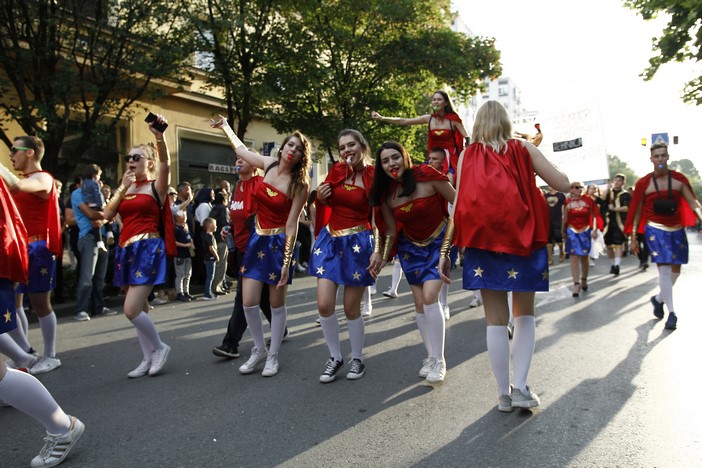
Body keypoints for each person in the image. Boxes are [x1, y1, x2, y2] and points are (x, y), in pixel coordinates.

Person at [442, 101, 570, 412]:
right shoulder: (523, 148)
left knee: (495, 321)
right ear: (506, 122)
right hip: (523, 241)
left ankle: (503, 393)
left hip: (482, 243)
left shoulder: (466, 155)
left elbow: (459, 204)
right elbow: (562, 184)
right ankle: (522, 386)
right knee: (524, 315)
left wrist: (446, 250)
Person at [211, 116, 310, 377]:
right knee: (249, 301)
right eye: (290, 144)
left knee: (276, 305)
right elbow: (241, 151)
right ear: (282, 147)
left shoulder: (300, 185)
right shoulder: (268, 165)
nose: (292, 150)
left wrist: (288, 261)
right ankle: (258, 349)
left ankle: (273, 354)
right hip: (256, 240)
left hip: (278, 243)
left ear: (302, 156)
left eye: (298, 148)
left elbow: (292, 225)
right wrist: (226, 128)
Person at [369, 141, 456, 384]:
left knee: (430, 297)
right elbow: (389, 230)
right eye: (385, 161)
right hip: (410, 249)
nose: (391, 164)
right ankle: (430, 356)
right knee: (419, 303)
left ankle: (439, 360)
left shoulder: (428, 176)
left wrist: (447, 249)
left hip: (438, 241)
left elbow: (458, 206)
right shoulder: (386, 195)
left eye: (395, 157)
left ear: (405, 157)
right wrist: (380, 254)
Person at [102, 114, 173, 378]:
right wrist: (121, 187)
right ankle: (147, 357)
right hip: (126, 250)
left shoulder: (156, 187)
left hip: (148, 249)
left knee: (130, 309)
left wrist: (159, 137)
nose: (130, 161)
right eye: (128, 158)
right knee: (139, 308)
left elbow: (166, 163)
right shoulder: (127, 189)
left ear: (149, 163)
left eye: (136, 158)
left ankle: (160, 347)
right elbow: (108, 215)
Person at [311, 129, 379, 383]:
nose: (346, 150)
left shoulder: (373, 175)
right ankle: (335, 356)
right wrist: (320, 197)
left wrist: (378, 250)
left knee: (351, 308)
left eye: (351, 145)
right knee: (324, 305)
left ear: (363, 146)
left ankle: (358, 358)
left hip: (358, 243)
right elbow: (325, 204)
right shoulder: (337, 171)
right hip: (330, 242)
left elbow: (378, 215)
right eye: (342, 147)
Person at [0, 136, 63, 375]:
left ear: (30, 153)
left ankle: (51, 355)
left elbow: (16, 186)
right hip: (20, 249)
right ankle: (25, 352)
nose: (11, 154)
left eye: (15, 150)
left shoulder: (43, 178)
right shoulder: (23, 178)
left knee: (39, 304)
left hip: (39, 249)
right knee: (12, 303)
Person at [625, 142, 702, 330]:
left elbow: (693, 203)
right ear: (651, 159)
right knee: (664, 270)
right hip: (655, 229)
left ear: (668, 157)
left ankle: (659, 299)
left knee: (676, 271)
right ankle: (672, 313)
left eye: (663, 155)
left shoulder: (679, 180)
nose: (660, 159)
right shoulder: (644, 183)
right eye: (656, 156)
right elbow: (636, 211)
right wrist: (634, 236)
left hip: (676, 229)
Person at [212, 154, 277, 359]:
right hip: (240, 248)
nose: (238, 162)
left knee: (243, 296)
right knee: (263, 295)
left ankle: (230, 343)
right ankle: (279, 328)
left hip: (257, 250)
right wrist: (227, 228)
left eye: (243, 159)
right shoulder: (238, 186)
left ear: (255, 164)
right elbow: (237, 217)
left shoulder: (260, 183)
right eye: (237, 159)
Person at [371, 90, 467, 172]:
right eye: (434, 100)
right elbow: (404, 121)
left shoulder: (453, 120)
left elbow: (467, 138)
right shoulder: (429, 118)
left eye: (439, 99)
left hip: (450, 159)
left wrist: (471, 153)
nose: (436, 102)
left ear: (446, 103)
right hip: (433, 158)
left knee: (452, 178)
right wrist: (382, 118)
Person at [71, 167, 116, 320]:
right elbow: (91, 214)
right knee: (87, 276)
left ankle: (99, 307)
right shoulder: (77, 194)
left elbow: (106, 213)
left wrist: (105, 217)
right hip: (88, 238)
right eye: (97, 176)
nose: (98, 180)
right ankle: (81, 310)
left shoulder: (97, 192)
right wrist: (107, 216)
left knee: (99, 277)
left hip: (102, 237)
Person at [563, 182, 598, 297]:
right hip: (572, 232)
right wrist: (563, 233)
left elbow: (594, 216)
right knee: (573, 257)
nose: (580, 189)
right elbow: (565, 219)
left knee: (584, 257)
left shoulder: (588, 201)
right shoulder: (567, 203)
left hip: (585, 231)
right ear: (572, 189)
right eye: (577, 187)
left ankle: (584, 279)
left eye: (580, 187)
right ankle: (576, 284)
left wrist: (594, 229)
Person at [603, 173, 630, 276]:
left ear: (623, 182)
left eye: (619, 181)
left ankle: (617, 265)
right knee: (609, 245)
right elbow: (599, 202)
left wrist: (614, 208)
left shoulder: (625, 194)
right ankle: (613, 264)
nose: (617, 183)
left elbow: (627, 208)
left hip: (620, 222)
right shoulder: (609, 194)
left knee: (618, 244)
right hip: (608, 223)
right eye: (615, 180)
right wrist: (607, 189)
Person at [80, 164, 109, 253]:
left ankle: (100, 241)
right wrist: (102, 205)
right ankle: (107, 235)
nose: (99, 177)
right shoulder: (94, 183)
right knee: (105, 218)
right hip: (96, 204)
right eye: (99, 175)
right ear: (94, 175)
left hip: (89, 204)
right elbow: (98, 195)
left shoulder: (84, 183)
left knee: (95, 223)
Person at [209, 191, 230, 294]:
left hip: (213, 239)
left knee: (216, 264)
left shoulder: (213, 209)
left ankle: (215, 286)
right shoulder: (224, 209)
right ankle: (217, 287)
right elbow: (226, 225)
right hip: (222, 239)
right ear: (224, 200)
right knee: (221, 264)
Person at [173, 209, 194, 302]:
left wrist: (191, 244)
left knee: (188, 274)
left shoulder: (185, 226)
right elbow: (173, 242)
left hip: (187, 253)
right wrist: (185, 245)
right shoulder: (175, 229)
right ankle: (179, 293)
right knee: (180, 274)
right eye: (183, 215)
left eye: (185, 215)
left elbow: (189, 237)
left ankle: (186, 291)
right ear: (177, 217)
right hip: (179, 254)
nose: (185, 217)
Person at [544, 186, 566, 265]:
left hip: (558, 218)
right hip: (548, 219)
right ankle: (550, 257)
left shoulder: (560, 195)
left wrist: (564, 217)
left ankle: (561, 252)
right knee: (549, 238)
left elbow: (565, 207)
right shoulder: (545, 196)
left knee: (558, 236)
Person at [201, 217, 219, 301]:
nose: (216, 226)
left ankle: (210, 292)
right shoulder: (209, 236)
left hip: (208, 258)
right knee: (210, 276)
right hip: (210, 258)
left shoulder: (207, 235)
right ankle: (207, 294)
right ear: (211, 225)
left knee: (210, 276)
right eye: (215, 225)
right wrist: (216, 256)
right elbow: (211, 248)